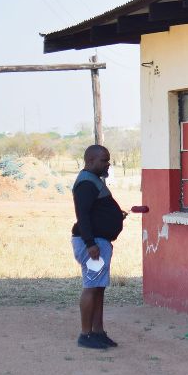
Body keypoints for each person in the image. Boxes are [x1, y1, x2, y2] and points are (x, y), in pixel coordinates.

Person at [71, 145, 126, 349]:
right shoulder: (86, 183)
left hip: (99, 242)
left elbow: (95, 211)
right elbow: (82, 215)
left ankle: (98, 332)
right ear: (90, 160)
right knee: (91, 287)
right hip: (93, 244)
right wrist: (90, 244)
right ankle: (85, 335)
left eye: (108, 160)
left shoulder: (94, 180)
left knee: (98, 289)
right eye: (104, 160)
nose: (107, 164)